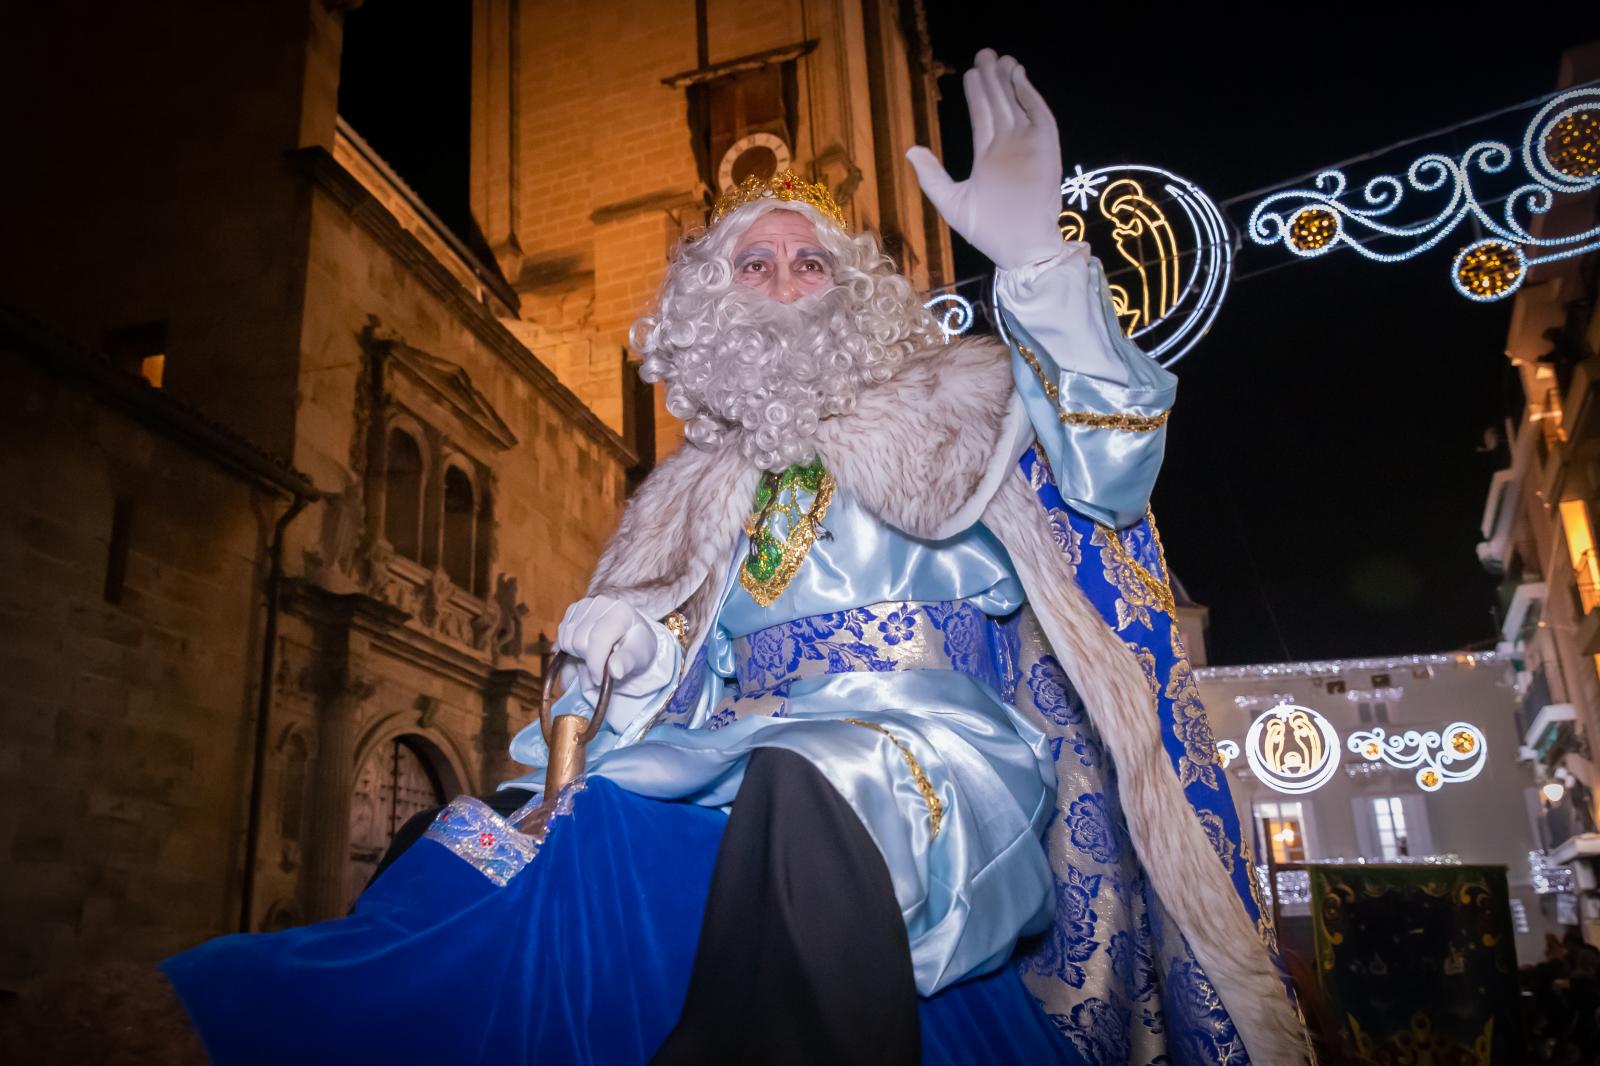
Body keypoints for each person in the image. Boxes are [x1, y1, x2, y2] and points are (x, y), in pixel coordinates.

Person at [7, 50, 1305, 1066]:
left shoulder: (968, 394)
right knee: (501, 844)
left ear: (853, 283)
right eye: (757, 259)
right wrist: (611, 661)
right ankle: (242, 1016)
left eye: (810, 257)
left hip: (939, 759)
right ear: (711, 301)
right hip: (728, 751)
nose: (787, 274)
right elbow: (644, 670)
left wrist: (1036, 264)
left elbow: (1113, 462)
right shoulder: (689, 482)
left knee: (805, 794)